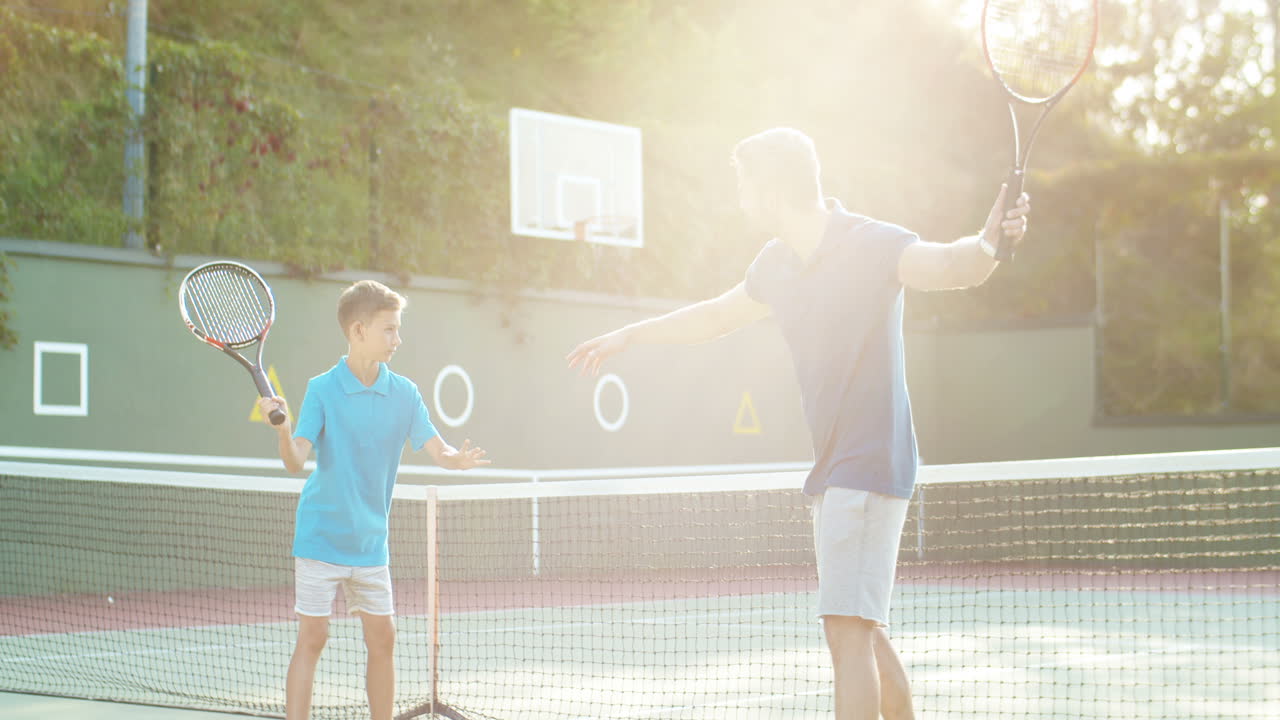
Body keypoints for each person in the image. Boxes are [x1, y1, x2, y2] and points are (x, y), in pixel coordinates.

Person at [566, 127, 1030, 720]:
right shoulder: (776, 264)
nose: (740, 200)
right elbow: (715, 316)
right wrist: (631, 335)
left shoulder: (872, 242)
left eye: (744, 185)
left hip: (868, 463)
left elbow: (950, 264)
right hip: (838, 469)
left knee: (846, 633)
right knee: (863, 631)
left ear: (771, 189)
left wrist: (989, 243)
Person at [258, 279, 490, 720]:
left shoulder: (405, 393)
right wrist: (283, 429)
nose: (397, 339)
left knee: (384, 639)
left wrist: (455, 460)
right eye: (389, 329)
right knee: (313, 639)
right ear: (358, 330)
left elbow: (438, 449)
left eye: (398, 329)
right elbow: (295, 461)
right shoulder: (322, 388)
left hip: (370, 545)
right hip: (320, 539)